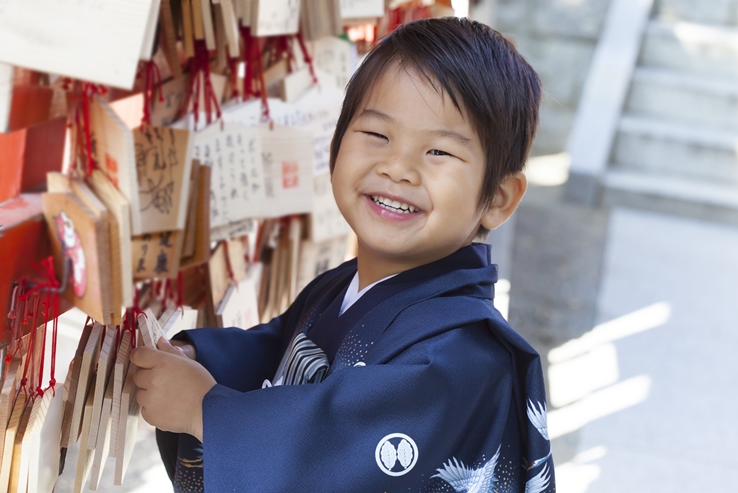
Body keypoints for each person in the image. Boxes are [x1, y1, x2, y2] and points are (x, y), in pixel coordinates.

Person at [130, 16, 554, 493]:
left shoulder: (460, 359)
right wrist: (197, 355)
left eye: (438, 152)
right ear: (335, 144)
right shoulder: (343, 285)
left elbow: (342, 451)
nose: (397, 168)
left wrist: (202, 410)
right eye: (377, 135)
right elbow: (282, 349)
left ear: (497, 198)